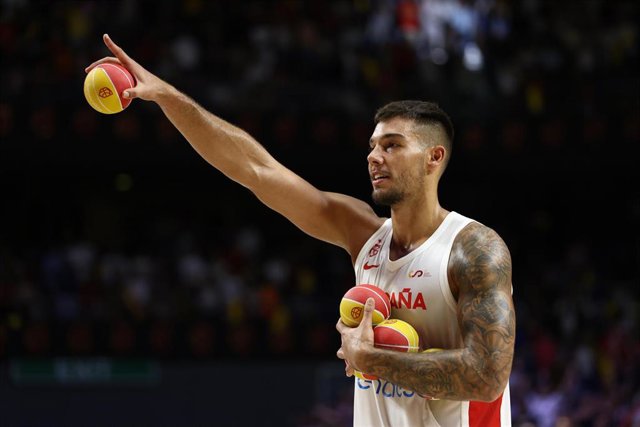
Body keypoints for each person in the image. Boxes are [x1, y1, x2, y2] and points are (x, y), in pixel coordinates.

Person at [87, 34, 515, 426]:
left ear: (433, 157)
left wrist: (370, 359)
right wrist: (166, 96)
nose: (374, 157)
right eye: (372, 146)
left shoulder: (474, 248)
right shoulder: (363, 235)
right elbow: (255, 170)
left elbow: (486, 378)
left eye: (392, 146)